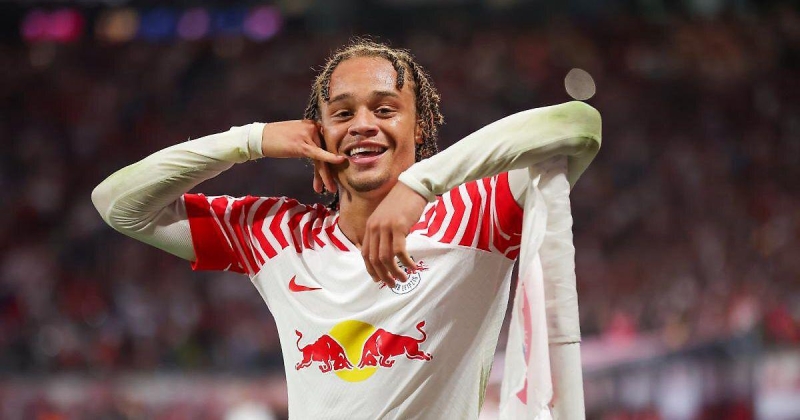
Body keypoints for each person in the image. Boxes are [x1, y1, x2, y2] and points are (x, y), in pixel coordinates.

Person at [92, 40, 601, 419]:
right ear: (318, 133)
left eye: (385, 109)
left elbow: (579, 125)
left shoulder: (478, 214)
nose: (362, 124)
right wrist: (252, 140)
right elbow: (119, 205)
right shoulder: (277, 234)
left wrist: (422, 184)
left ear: (420, 126)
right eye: (342, 113)